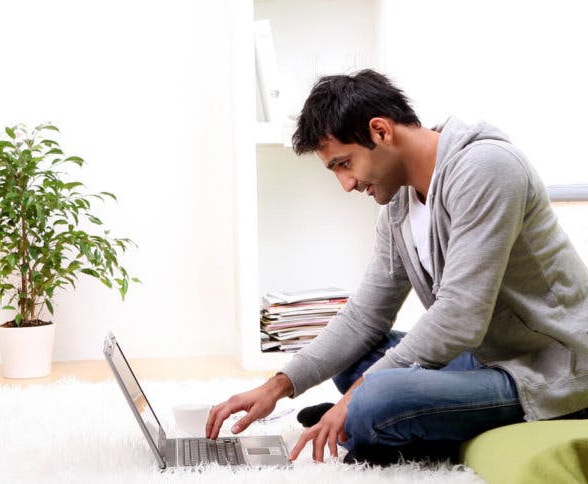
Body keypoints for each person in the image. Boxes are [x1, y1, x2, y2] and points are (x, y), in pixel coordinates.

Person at [205, 69, 588, 466]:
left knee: (375, 397)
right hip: (485, 357)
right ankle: (395, 423)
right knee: (358, 360)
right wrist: (278, 386)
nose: (346, 184)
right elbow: (363, 317)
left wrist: (356, 399)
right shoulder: (399, 206)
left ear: (380, 131)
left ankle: (387, 423)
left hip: (552, 370)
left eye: (344, 163)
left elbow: (460, 317)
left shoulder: (486, 168)